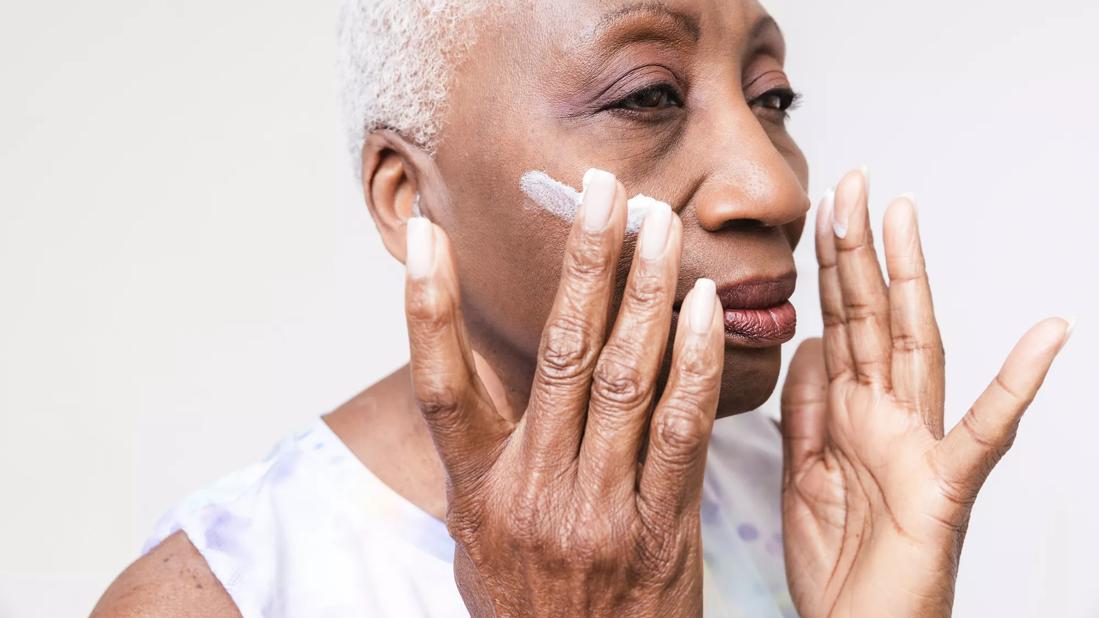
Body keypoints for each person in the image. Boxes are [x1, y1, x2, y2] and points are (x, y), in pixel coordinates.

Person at [92, 0, 1072, 616]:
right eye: (645, 95)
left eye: (771, 96)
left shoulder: (817, 511)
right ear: (410, 198)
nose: (772, 189)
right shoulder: (220, 597)